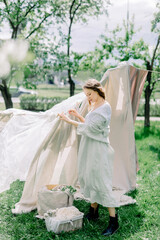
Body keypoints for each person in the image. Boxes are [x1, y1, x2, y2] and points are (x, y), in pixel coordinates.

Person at [58, 79, 119, 236]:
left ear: (98, 91)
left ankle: (114, 221)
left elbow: (91, 128)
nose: (88, 98)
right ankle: (94, 211)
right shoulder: (95, 106)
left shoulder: (105, 107)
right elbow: (90, 126)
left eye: (90, 94)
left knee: (102, 182)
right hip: (90, 147)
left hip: (98, 150)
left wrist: (69, 121)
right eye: (86, 95)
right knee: (91, 178)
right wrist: (79, 116)